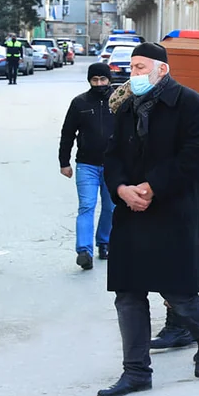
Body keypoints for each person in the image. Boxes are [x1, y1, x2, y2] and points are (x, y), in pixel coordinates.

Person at [97, 43, 199, 396]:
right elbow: (112, 154)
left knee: (176, 291)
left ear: (161, 70)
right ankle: (136, 371)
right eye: (132, 67)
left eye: (140, 67)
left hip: (172, 209)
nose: (134, 74)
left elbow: (192, 158)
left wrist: (152, 187)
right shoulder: (127, 106)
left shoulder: (192, 105)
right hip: (131, 209)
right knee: (128, 292)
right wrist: (121, 189)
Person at [59, 62, 116, 269]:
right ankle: (84, 251)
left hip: (113, 165)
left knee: (111, 207)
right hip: (86, 165)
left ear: (109, 79)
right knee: (86, 206)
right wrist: (64, 162)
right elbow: (67, 133)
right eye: (95, 80)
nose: (99, 83)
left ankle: (105, 242)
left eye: (103, 79)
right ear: (89, 80)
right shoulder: (79, 103)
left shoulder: (119, 102)